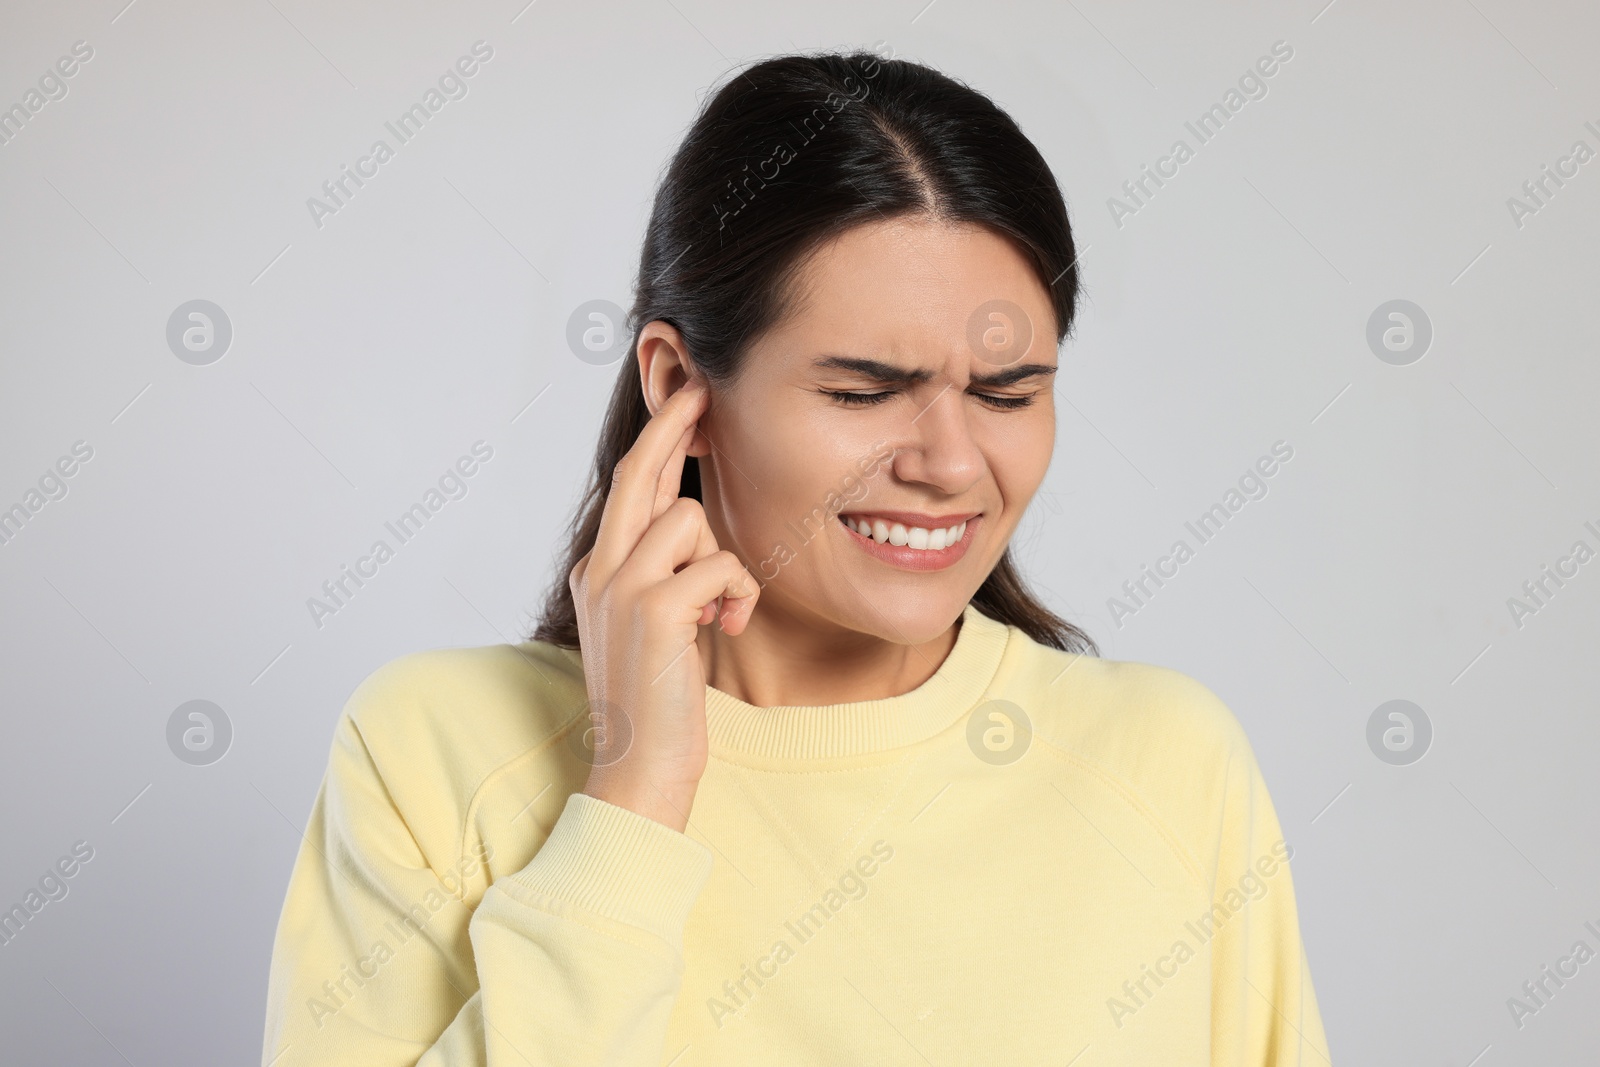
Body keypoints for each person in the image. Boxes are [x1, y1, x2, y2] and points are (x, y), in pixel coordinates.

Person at [261, 48, 1331, 1065]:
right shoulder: (435, 751)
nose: (952, 464)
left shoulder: (1168, 764)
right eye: (864, 392)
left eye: (1007, 393)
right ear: (680, 386)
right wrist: (630, 801)